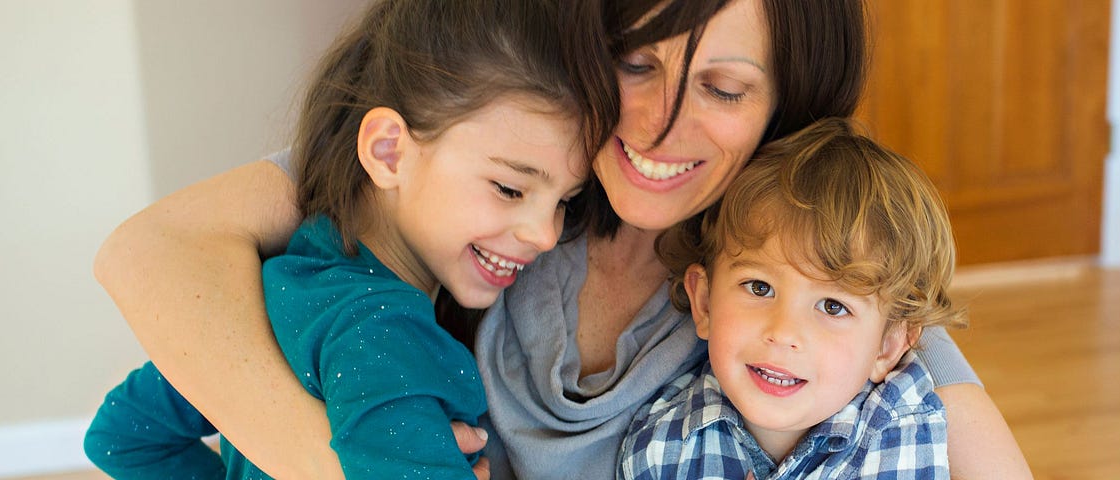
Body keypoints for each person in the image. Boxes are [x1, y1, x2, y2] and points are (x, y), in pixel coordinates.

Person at [92, 0, 1033, 478]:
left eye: (725, 89)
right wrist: (326, 461)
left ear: (784, 108)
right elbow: (148, 251)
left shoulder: (800, 271)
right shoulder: (486, 159)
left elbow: (969, 439)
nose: (663, 127)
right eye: (637, 63)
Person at [82, 0, 594, 478]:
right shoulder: (389, 339)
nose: (545, 234)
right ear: (389, 151)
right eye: (509, 188)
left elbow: (121, 435)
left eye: (564, 203)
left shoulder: (265, 289)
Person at [620, 118, 965, 479]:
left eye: (833, 306)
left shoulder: (900, 433)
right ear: (705, 303)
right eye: (759, 287)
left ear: (887, 346)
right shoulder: (661, 448)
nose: (784, 331)